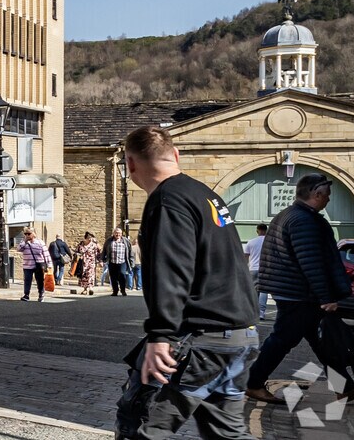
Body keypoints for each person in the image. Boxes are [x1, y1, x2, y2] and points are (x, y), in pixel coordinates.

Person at [117, 123, 257, 439]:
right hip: (238, 337)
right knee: (227, 433)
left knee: (141, 423)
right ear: (175, 155)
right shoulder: (203, 194)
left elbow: (172, 269)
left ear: (130, 164)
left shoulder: (167, 201)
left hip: (200, 339)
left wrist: (160, 336)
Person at [244, 172, 354, 405]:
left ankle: (344, 387)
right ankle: (253, 383)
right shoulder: (303, 220)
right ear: (316, 194)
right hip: (299, 295)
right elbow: (311, 262)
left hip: (297, 292)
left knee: (321, 343)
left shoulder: (290, 215)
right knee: (281, 341)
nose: (328, 200)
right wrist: (326, 296)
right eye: (327, 195)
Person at [18, 228, 52, 301]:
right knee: (27, 280)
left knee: (39, 280)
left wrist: (49, 265)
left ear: (34, 234)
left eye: (29, 234)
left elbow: (46, 253)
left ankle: (41, 294)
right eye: (25, 234)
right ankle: (26, 295)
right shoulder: (24, 243)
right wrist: (24, 241)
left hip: (39, 265)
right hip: (27, 265)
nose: (27, 235)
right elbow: (19, 249)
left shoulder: (40, 243)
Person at [244, 224, 269, 321]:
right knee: (263, 291)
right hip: (266, 269)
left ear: (257, 231)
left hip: (253, 269)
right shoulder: (269, 242)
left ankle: (253, 312)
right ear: (266, 230)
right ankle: (261, 312)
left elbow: (246, 256)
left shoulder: (251, 242)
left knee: (253, 291)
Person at [108, 230, 132, 296]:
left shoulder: (126, 241)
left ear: (121, 234)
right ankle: (115, 291)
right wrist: (103, 259)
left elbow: (130, 252)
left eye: (119, 233)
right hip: (112, 261)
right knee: (113, 277)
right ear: (113, 234)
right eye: (116, 233)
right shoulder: (109, 241)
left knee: (122, 275)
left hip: (122, 262)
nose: (117, 234)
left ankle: (123, 290)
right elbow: (105, 250)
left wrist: (131, 262)